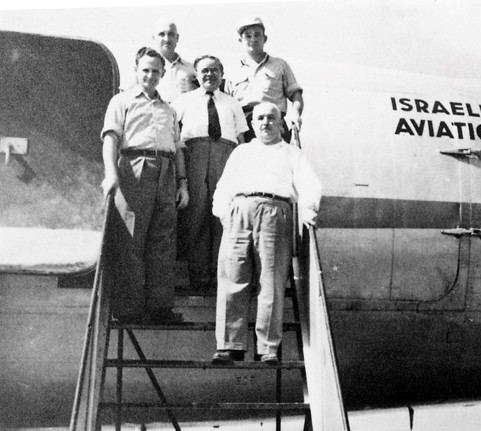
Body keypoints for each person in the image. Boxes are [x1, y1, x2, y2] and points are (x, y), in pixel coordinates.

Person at [211, 102, 321, 363]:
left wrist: (308, 212)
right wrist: (225, 214)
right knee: (232, 276)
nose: (265, 123)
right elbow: (223, 186)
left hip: (275, 212)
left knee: (270, 282)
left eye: (271, 118)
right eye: (260, 118)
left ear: (281, 123)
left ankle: (268, 348)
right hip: (239, 212)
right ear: (252, 124)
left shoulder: (292, 154)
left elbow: (309, 185)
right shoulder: (241, 152)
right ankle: (229, 345)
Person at [101, 47, 189, 324]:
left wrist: (183, 183)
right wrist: (111, 174)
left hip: (166, 170)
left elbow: (177, 148)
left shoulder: (169, 109)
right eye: (145, 70)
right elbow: (110, 140)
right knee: (131, 237)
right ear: (137, 71)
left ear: (163, 74)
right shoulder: (122, 101)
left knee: (162, 240)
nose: (150, 75)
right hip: (134, 167)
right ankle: (130, 308)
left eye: (156, 71)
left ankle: (160, 307)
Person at [171, 55, 249, 292]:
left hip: (225, 156)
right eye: (204, 70)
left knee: (222, 216)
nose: (209, 75)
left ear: (222, 73)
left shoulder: (232, 103)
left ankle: (220, 277)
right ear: (196, 74)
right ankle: (199, 278)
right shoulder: (182, 101)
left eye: (215, 70)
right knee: (196, 215)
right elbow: (174, 136)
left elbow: (242, 139)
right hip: (194, 155)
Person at [224, 16, 303, 143]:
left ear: (264, 38)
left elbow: (296, 95)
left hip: (275, 124)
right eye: (248, 36)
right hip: (244, 129)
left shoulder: (280, 65)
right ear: (240, 40)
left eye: (257, 35)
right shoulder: (232, 71)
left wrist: (296, 114)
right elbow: (227, 104)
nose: (253, 39)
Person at [151, 20, 197, 102]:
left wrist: (193, 89)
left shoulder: (191, 68)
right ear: (154, 38)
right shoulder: (145, 68)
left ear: (177, 38)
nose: (167, 39)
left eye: (171, 34)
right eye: (162, 34)